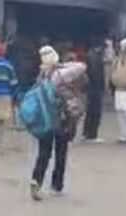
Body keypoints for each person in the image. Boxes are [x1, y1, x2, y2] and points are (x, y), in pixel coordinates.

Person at [29, 46, 87, 200]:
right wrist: (62, 64)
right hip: (62, 119)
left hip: (45, 120)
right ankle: (57, 185)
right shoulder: (62, 74)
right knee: (61, 152)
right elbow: (82, 66)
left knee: (43, 153)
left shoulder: (41, 76)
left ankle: (36, 180)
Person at [82, 39, 107, 142]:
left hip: (90, 88)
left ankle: (86, 133)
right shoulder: (96, 57)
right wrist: (101, 87)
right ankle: (92, 135)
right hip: (95, 88)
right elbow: (96, 74)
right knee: (95, 112)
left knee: (89, 111)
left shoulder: (90, 55)